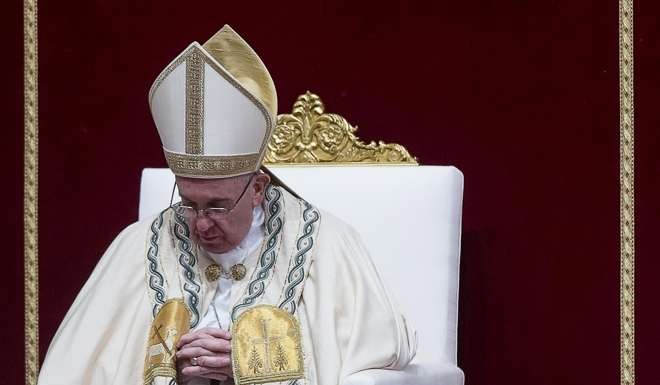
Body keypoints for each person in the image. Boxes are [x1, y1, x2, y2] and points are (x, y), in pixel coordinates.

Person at [38, 25, 417, 385]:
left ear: (257, 188)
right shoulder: (139, 247)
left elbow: (386, 353)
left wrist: (253, 366)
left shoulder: (323, 246)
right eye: (188, 204)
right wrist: (174, 374)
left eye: (217, 206)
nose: (201, 224)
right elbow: (78, 369)